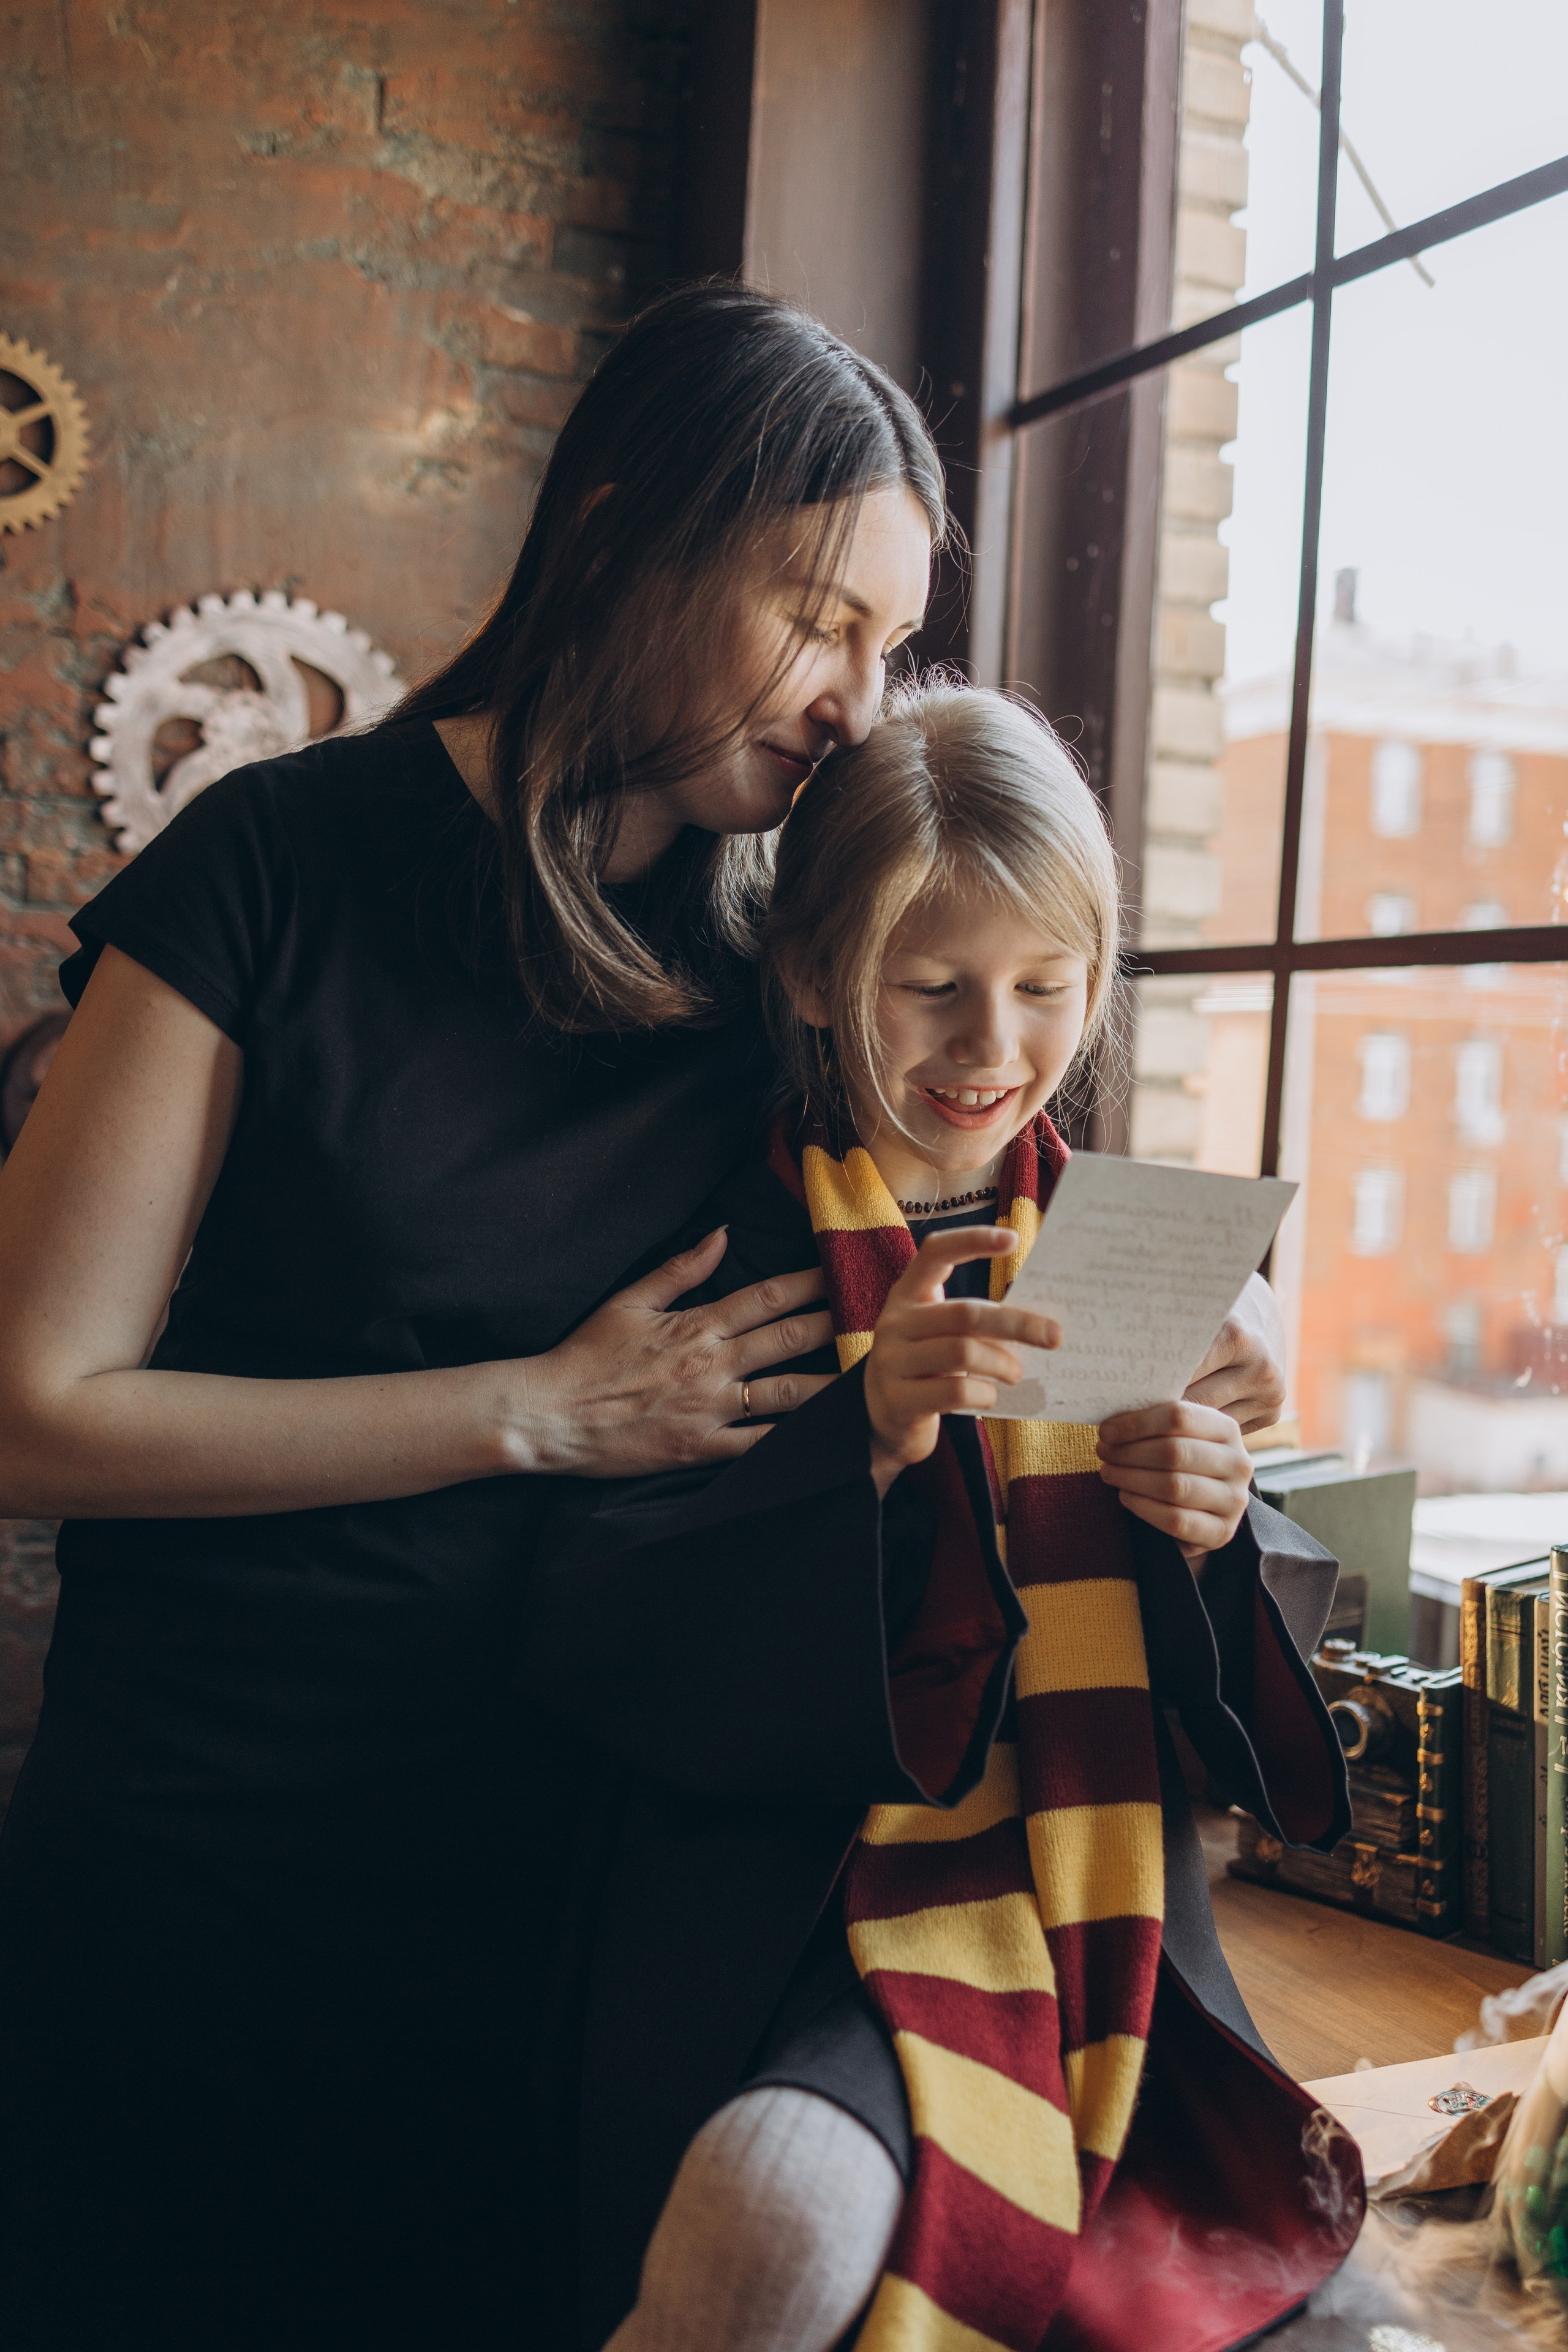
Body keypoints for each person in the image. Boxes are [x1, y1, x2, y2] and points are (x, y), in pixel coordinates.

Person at [0, 287, 1286, 2350]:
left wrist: (1232, 1356)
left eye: (888, 641)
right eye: (816, 615)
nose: (858, 703)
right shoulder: (271, 869)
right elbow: (27, 1410)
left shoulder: (780, 956)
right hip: (215, 1859)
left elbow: (1004, 1177)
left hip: (597, 1888)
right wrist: (533, 1411)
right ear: (617, 530)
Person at [521, 679, 1362, 2352]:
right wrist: (874, 1435)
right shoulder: (721, 1244)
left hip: (1105, 1903)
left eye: (1047, 989)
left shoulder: (1131, 1247)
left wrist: (1211, 1524)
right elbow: (599, 1642)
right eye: (933, 987)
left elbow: (1247, 1676)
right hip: (813, 1909)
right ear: (815, 975)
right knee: (769, 2219)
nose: (993, 1050)